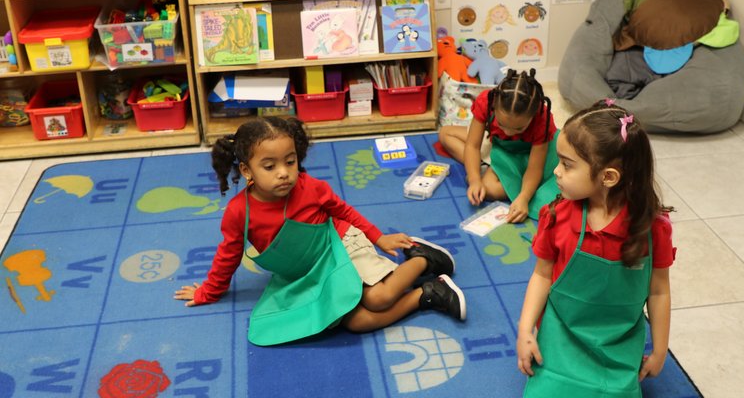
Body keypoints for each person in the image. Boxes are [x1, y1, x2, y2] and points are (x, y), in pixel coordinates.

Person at [174, 117, 467, 346]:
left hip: (341, 244)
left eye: (290, 161)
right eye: (269, 165)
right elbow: (228, 256)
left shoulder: (310, 187)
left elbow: (344, 212)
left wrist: (378, 237)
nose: (284, 172)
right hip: (308, 272)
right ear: (247, 171)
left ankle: (423, 259)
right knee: (357, 322)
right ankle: (429, 294)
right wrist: (208, 292)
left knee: (378, 299)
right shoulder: (240, 211)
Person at [515, 101, 676, 397]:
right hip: (562, 334)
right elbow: (542, 275)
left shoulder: (652, 229)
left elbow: (659, 291)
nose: (556, 172)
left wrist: (660, 350)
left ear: (608, 177)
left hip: (617, 341)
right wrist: (525, 330)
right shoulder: (556, 216)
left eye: (566, 164)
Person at [437, 68, 559, 222]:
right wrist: (475, 179)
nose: (508, 132)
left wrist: (523, 197)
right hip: (495, 142)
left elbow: (535, 169)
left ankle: (492, 169)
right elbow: (473, 145)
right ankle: (485, 166)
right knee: (445, 133)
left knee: (489, 190)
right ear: (494, 105)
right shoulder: (487, 101)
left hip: (524, 153)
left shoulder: (542, 119)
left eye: (519, 128)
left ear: (533, 115)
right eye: (502, 124)